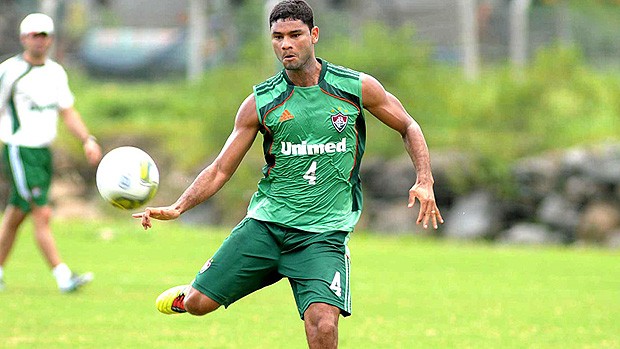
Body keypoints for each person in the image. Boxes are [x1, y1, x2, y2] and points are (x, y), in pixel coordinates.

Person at [134, 0, 443, 347]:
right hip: (266, 226)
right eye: (278, 36)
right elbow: (221, 169)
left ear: (313, 35)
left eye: (295, 34)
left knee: (323, 326)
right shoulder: (261, 101)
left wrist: (424, 179)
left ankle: (297, 274)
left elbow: (409, 125)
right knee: (198, 305)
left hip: (322, 235)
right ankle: (197, 291)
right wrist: (179, 206)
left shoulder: (355, 88)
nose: (286, 44)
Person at [0, 13, 102, 293]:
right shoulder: (9, 71)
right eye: (35, 35)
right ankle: (62, 275)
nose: (40, 41)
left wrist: (87, 139)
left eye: (45, 35)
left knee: (15, 215)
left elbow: (67, 111)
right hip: (20, 151)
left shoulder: (56, 72)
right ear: (24, 39)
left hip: (43, 153)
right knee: (41, 213)